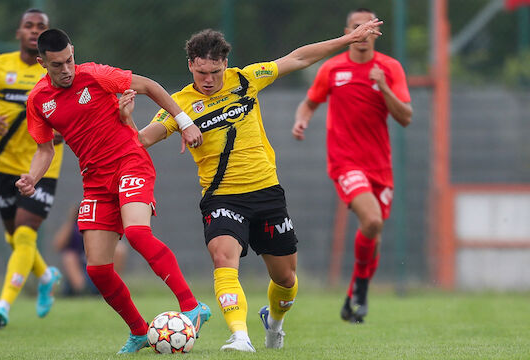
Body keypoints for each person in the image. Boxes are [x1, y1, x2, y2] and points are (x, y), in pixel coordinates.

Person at [124, 19, 382, 352]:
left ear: (225, 65)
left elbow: (299, 58)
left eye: (215, 72)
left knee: (286, 279)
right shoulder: (180, 105)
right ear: (190, 65)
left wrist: (348, 39)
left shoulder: (246, 79)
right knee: (223, 257)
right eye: (201, 72)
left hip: (266, 192)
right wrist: (126, 117)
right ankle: (239, 336)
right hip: (221, 197)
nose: (208, 80)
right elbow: (141, 140)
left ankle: (274, 322)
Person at [16, 28, 211, 354]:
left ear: (73, 52)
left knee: (136, 233)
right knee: (98, 270)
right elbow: (45, 151)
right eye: (57, 65)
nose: (66, 70)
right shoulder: (38, 100)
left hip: (129, 163)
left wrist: (185, 120)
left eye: (69, 61)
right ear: (41, 63)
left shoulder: (95, 75)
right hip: (94, 180)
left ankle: (191, 306)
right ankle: (138, 331)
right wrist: (32, 178)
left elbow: (149, 86)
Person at [293, 8, 412, 324]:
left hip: (380, 166)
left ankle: (355, 295)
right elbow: (310, 102)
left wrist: (383, 87)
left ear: (376, 32)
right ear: (348, 31)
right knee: (372, 221)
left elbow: (406, 117)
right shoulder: (332, 69)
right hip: (345, 162)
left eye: (368, 27)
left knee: (373, 232)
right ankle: (360, 288)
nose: (362, 32)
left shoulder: (389, 68)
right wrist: (301, 121)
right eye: (355, 27)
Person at [0, 8, 63, 329]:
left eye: (40, 27)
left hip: (43, 165)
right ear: (18, 33)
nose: (34, 31)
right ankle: (45, 276)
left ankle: (2, 306)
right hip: (5, 165)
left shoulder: (58, 71)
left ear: (47, 34)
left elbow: (73, 111)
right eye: (28, 26)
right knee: (13, 238)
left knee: (24, 232)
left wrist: (64, 129)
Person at [53, 205, 128, 296]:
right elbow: (58, 245)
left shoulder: (101, 225)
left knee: (119, 249)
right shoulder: (74, 228)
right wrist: (71, 220)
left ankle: (112, 289)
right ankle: (83, 293)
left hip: (100, 269)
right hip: (80, 272)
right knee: (69, 257)